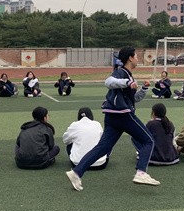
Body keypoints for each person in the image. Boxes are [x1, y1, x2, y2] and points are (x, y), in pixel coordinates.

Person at [65, 47, 159, 191]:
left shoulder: (129, 76)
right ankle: (141, 172)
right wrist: (127, 83)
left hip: (112, 116)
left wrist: (144, 89)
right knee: (149, 140)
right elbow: (108, 82)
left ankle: (76, 173)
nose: (138, 59)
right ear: (130, 58)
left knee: (103, 148)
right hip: (123, 114)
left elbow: (135, 98)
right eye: (136, 56)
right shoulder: (121, 72)